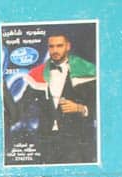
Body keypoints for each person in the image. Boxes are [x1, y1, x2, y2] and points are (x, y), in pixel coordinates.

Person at [23, 31, 97, 164]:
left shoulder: (86, 70)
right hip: (46, 142)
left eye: (59, 46)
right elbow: (20, 107)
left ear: (68, 46)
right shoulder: (37, 75)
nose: (55, 50)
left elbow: (102, 107)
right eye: (51, 46)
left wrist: (80, 108)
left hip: (77, 142)